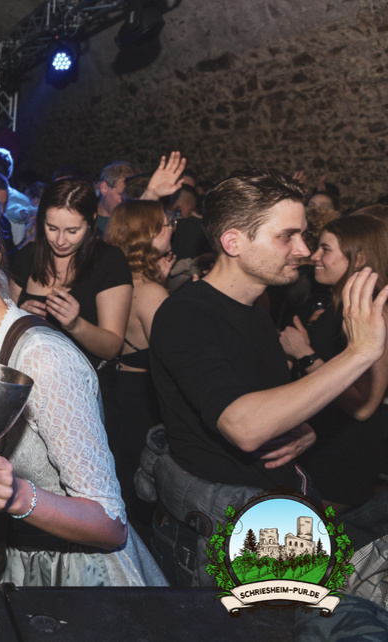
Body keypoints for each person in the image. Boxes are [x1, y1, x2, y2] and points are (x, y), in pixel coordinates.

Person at [0, 189, 165, 587]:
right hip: (19, 567)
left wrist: (18, 496)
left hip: (81, 578)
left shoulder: (42, 356)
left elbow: (111, 524)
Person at [149, 170, 388, 586]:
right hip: (219, 534)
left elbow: (267, 400)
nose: (304, 250)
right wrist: (360, 352)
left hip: (270, 516)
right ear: (233, 242)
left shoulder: (257, 310)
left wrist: (301, 426)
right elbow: (244, 427)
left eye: (303, 235)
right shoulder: (185, 315)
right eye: (287, 236)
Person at [279, 215, 388, 545]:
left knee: (303, 546)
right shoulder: (335, 306)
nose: (314, 256)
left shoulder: (375, 313)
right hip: (321, 440)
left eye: (325, 249)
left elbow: (364, 407)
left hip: (346, 450)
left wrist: (305, 354)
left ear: (360, 257)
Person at [102, 200, 175, 540]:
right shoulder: (151, 292)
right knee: (144, 494)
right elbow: (174, 359)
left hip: (120, 388)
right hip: (145, 402)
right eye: (165, 224)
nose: (172, 229)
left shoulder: (116, 284)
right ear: (147, 234)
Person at [10, 179, 133, 366]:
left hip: (83, 377)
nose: (60, 241)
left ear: (91, 221)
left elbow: (112, 348)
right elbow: (3, 322)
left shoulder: (109, 261)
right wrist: (20, 317)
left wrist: (75, 325)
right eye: (52, 228)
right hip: (26, 370)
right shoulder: (28, 255)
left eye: (72, 231)